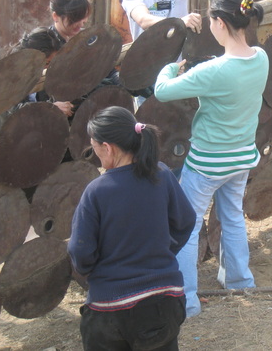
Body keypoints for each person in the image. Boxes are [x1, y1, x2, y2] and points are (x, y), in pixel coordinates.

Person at [154, 0, 268, 317]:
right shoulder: (261, 57)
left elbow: (162, 92)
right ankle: (240, 280)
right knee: (232, 217)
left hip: (207, 164)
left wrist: (170, 69)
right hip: (241, 158)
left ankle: (187, 301)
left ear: (219, 23)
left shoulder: (215, 71)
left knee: (187, 227)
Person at [68, 106, 196, 350]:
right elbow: (186, 221)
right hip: (164, 301)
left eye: (95, 148)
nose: (96, 156)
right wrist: (162, 251)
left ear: (108, 148)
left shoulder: (97, 191)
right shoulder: (162, 174)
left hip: (110, 310)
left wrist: (95, 269)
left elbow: (80, 252)